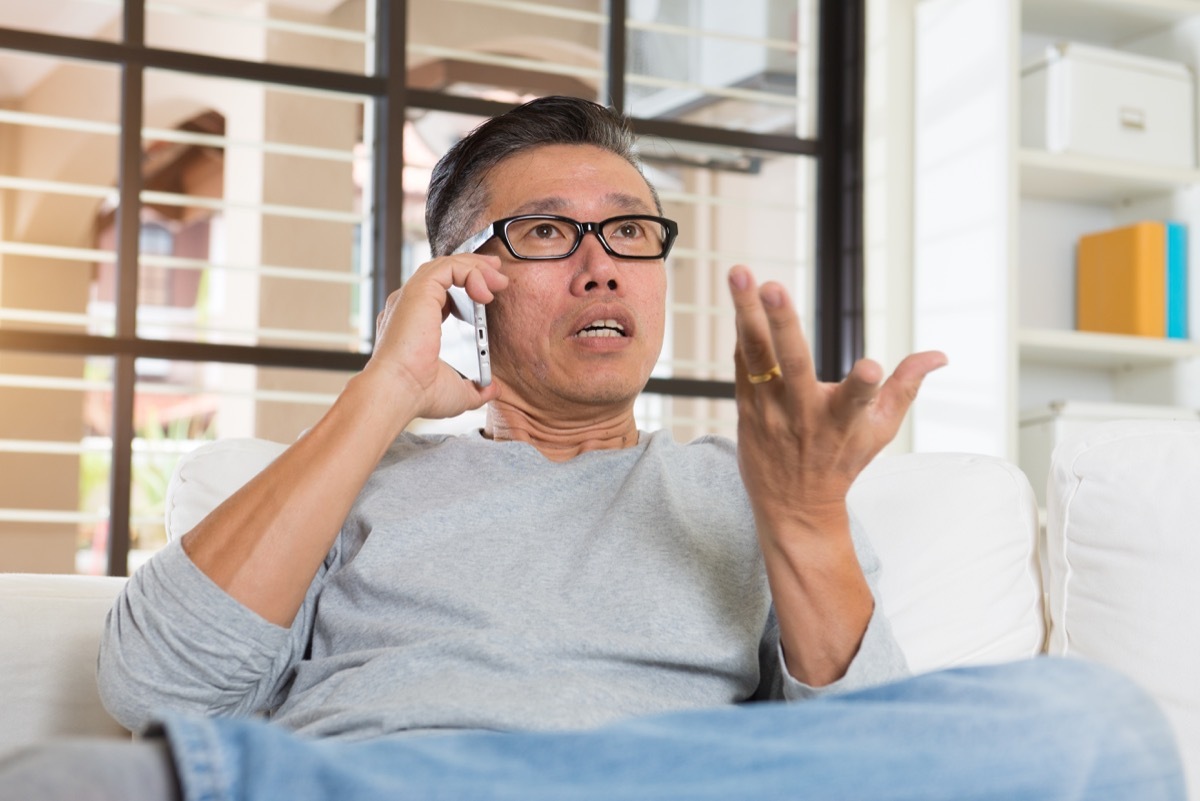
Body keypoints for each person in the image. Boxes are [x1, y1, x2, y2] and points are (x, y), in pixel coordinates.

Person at [0, 96, 1185, 801]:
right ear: (466, 284)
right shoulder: (352, 486)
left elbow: (871, 761)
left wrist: (808, 525)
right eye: (548, 233)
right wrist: (385, 389)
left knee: (1095, 723)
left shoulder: (755, 486)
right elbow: (153, 686)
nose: (603, 261)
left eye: (627, 230)